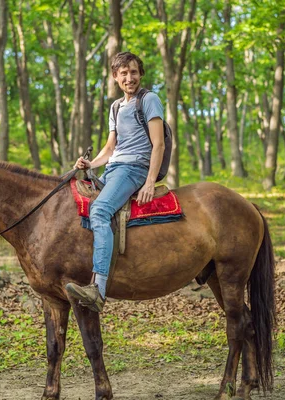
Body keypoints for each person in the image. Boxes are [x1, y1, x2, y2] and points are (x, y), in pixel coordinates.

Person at [65, 52, 165, 312]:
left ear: (140, 74)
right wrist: (91, 164)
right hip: (114, 167)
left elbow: (159, 144)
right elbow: (110, 148)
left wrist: (150, 182)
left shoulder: (150, 100)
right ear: (115, 77)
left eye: (133, 72)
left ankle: (98, 289)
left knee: (100, 210)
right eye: (123, 73)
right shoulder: (115, 107)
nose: (129, 78)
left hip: (135, 168)